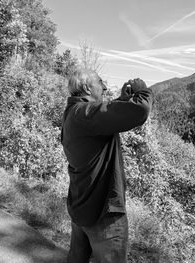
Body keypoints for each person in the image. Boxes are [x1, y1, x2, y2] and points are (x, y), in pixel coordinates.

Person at [61, 68, 153, 263]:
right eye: (100, 82)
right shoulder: (84, 114)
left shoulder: (74, 113)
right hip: (103, 213)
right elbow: (141, 110)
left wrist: (121, 100)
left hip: (83, 206)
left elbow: (104, 115)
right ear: (87, 87)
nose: (103, 87)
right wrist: (143, 90)